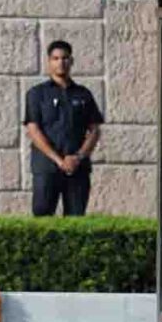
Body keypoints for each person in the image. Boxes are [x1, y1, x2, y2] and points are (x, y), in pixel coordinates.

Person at [23, 40, 104, 216]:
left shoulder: (83, 94)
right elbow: (33, 131)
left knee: (76, 220)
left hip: (78, 168)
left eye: (65, 58)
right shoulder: (37, 94)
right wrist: (60, 161)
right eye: (56, 58)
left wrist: (78, 157)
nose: (61, 62)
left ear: (71, 61)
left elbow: (94, 130)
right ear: (49, 62)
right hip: (47, 167)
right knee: (42, 218)